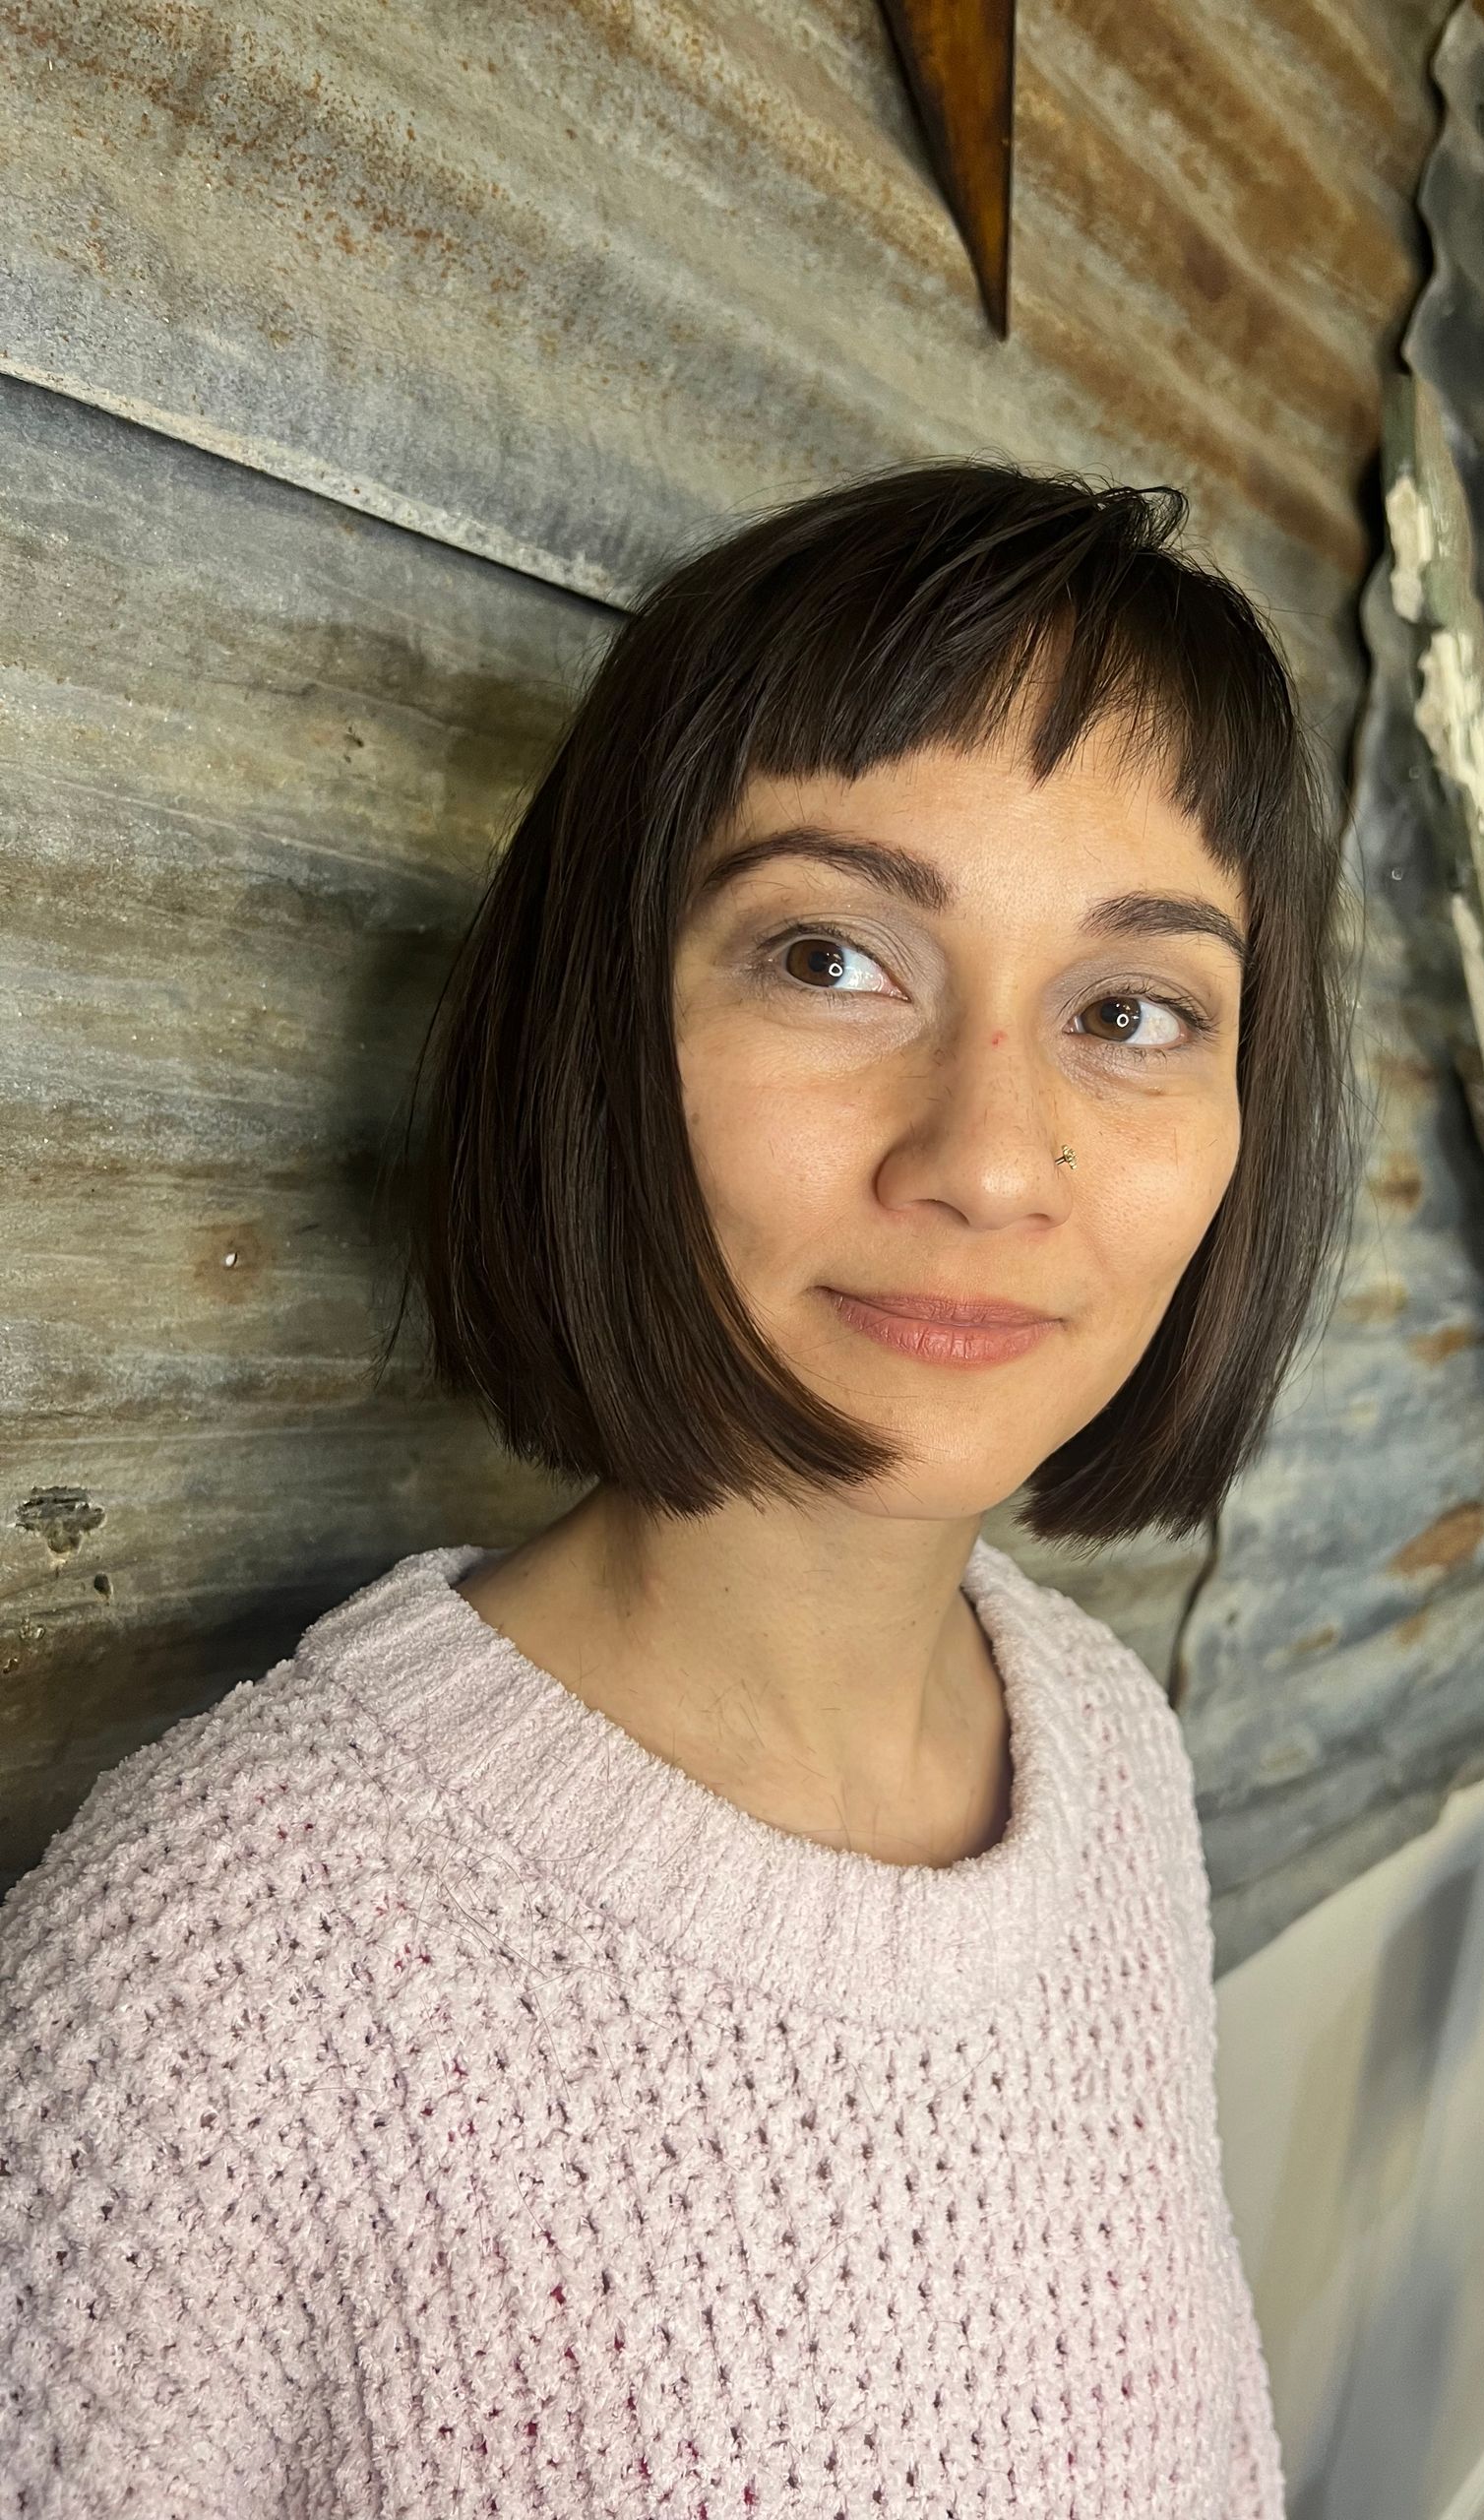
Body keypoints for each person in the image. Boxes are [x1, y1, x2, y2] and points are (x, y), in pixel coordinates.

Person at [0, 459, 1360, 2515]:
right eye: (830, 956)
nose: (992, 1156)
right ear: (602, 1020)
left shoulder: (1111, 1751)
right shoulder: (207, 1983)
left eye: (1131, 1009)